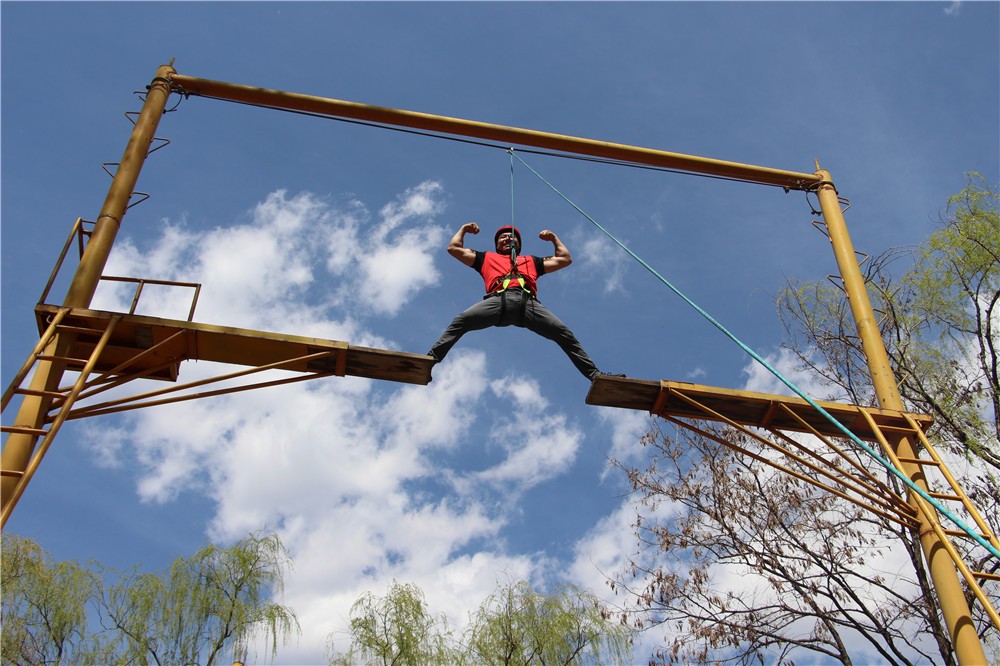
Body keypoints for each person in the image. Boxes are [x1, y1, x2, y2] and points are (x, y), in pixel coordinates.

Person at [428, 222, 613, 381]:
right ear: (497, 244)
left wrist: (554, 238)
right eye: (503, 237)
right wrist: (463, 229)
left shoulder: (531, 261)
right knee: (461, 321)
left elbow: (565, 259)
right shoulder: (486, 258)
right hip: (498, 301)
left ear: (519, 244)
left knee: (564, 333)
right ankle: (430, 360)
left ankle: (595, 376)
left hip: (528, 305)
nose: (508, 239)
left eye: (512, 237)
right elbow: (453, 249)